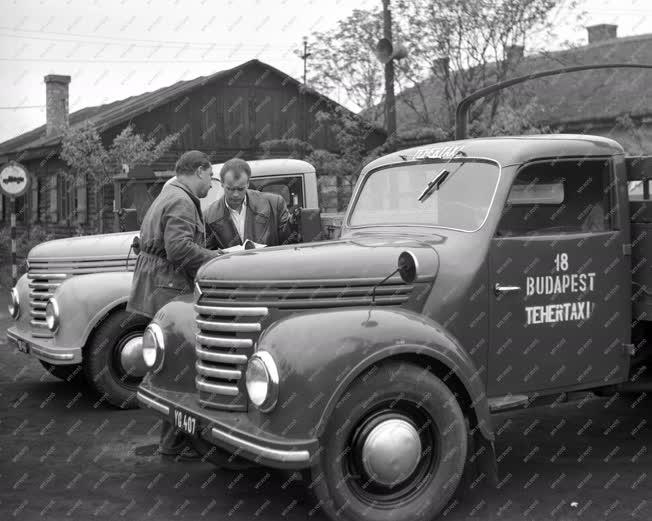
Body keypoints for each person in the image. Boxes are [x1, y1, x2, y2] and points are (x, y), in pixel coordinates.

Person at [127, 149, 218, 459]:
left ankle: (174, 441)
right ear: (200, 170)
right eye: (211, 177)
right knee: (180, 366)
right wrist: (218, 259)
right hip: (167, 287)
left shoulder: (169, 193)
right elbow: (179, 249)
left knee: (167, 365)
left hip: (156, 284)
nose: (211, 185)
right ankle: (177, 443)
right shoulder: (180, 200)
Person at [204, 157, 296, 249]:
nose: (236, 194)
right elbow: (208, 254)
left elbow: (289, 242)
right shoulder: (209, 216)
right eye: (230, 189)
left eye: (240, 189)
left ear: (248, 184)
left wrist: (294, 222)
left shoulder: (275, 204)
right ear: (222, 184)